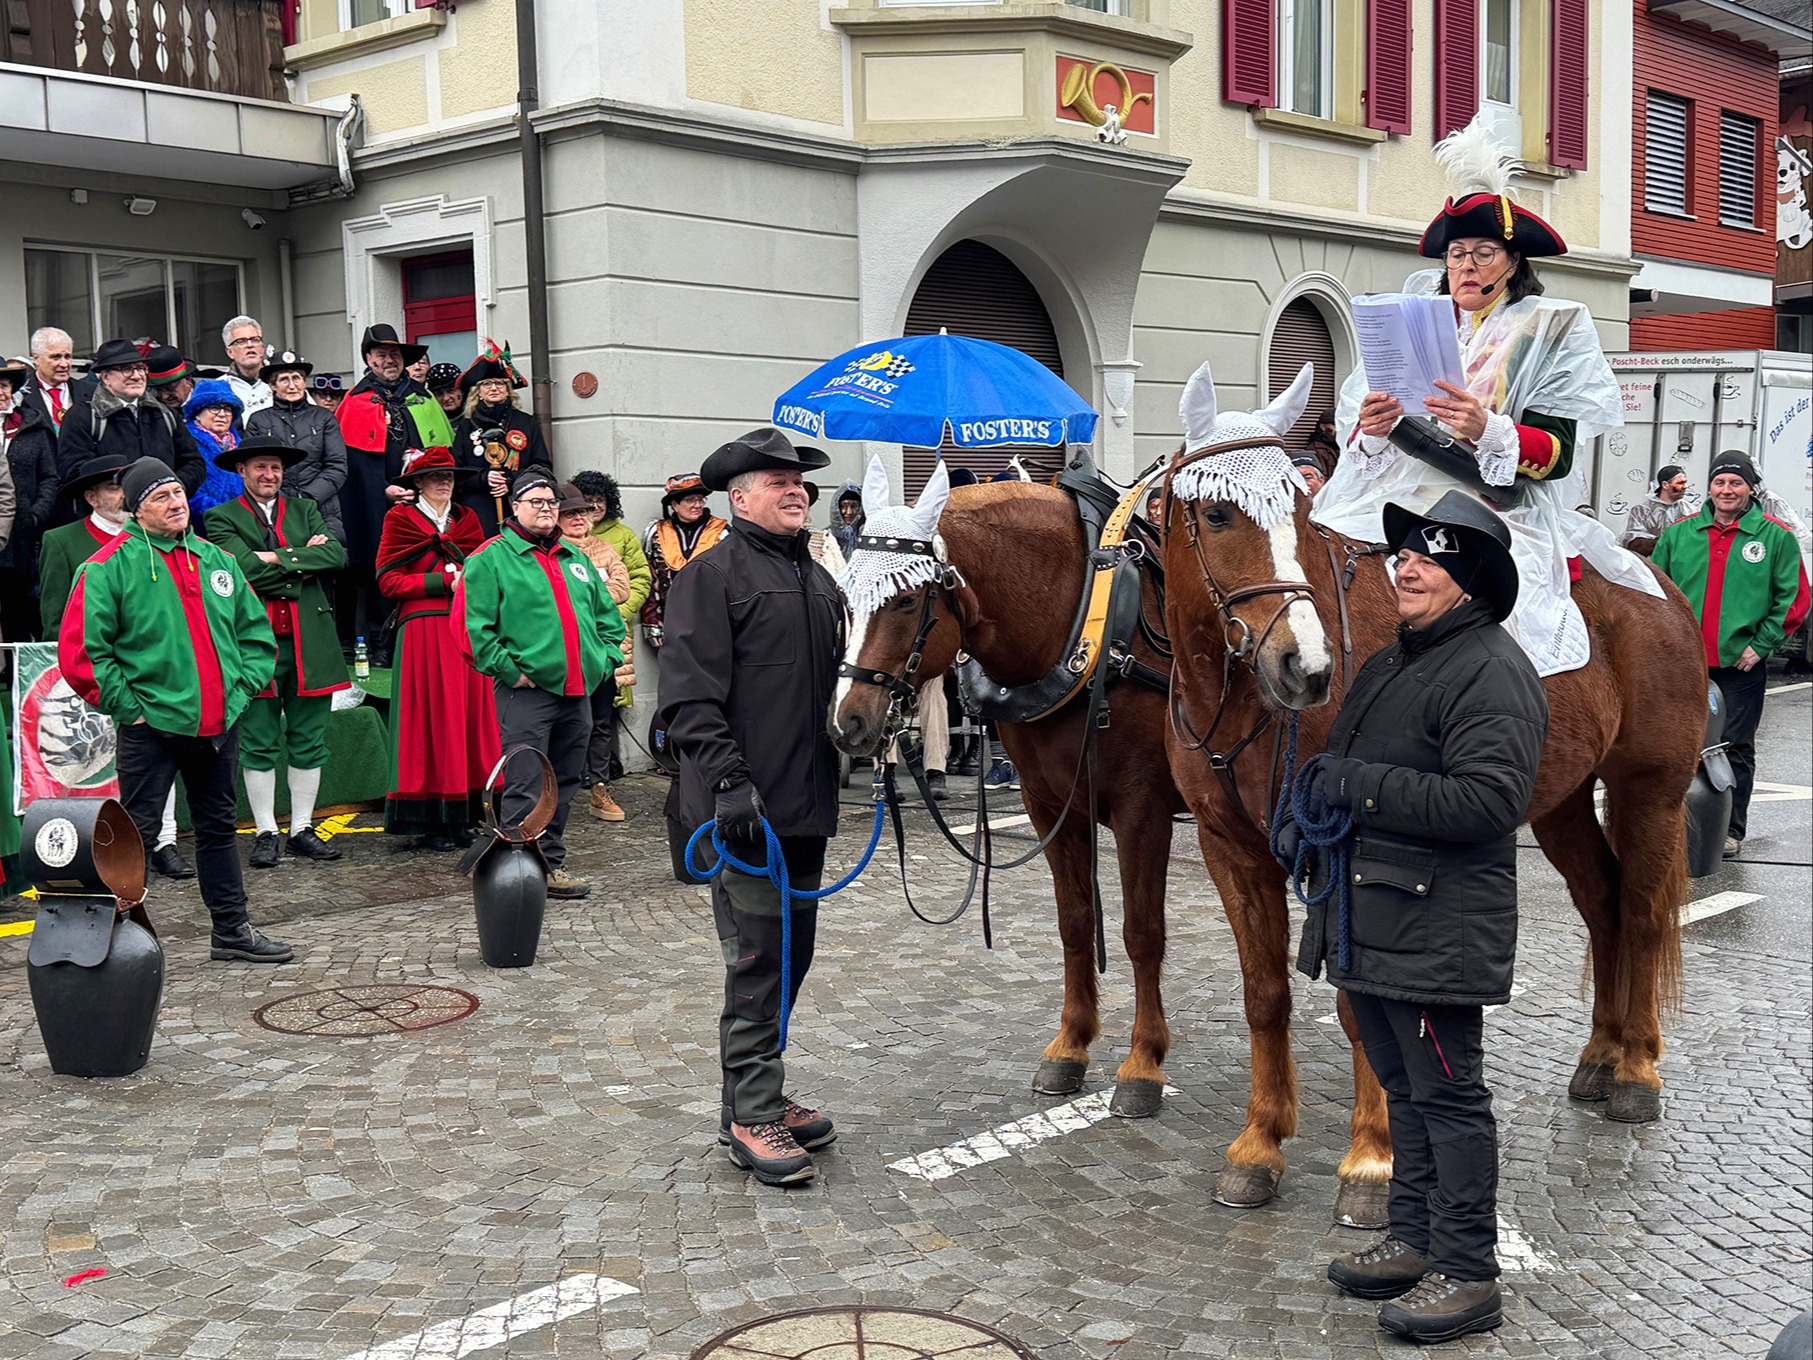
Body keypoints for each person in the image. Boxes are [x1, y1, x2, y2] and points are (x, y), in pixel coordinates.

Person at [1285, 490, 1548, 1345]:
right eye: (1403, 554)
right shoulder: (1397, 660)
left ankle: (1467, 1271)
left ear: (1469, 582)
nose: (1406, 565)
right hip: (1376, 919)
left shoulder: (1490, 669)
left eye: (1429, 559)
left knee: (1448, 1096)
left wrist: (1350, 786)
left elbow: (1487, 801)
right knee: (1401, 1088)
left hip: (1438, 927)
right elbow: (1345, 761)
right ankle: (1412, 1238)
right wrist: (1306, 803)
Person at [1316, 115, 1664, 679]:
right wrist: (1375, 429)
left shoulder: (1550, 329)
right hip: (1390, 490)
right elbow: (1366, 440)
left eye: (1483, 253)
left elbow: (1557, 452)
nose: (1466, 266)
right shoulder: (1411, 322)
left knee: (1496, 608)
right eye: (1456, 254)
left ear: (1512, 263)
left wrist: (1488, 429)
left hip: (1495, 499)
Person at [658, 427, 842, 1187]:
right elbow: (688, 699)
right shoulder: (712, 576)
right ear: (739, 500)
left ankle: (757, 1089)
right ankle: (749, 1116)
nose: (796, 489)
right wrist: (730, 782)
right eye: (777, 481)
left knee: (792, 957)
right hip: (742, 812)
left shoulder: (821, 581)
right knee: (758, 959)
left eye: (799, 481)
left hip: (805, 806)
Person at [58, 456, 288, 963]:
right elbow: (83, 653)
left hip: (218, 724)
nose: (176, 502)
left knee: (218, 829)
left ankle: (231, 931)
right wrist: (131, 709)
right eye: (161, 496)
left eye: (179, 492)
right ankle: (108, 943)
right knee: (134, 839)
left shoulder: (216, 561)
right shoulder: (105, 568)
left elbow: (254, 635)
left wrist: (238, 691)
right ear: (137, 510)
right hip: (151, 728)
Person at [456, 473, 624, 897]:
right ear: (515, 506)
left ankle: (549, 865)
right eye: (536, 501)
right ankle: (518, 873)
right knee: (526, 784)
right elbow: (472, 629)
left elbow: (607, 617)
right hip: (527, 693)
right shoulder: (490, 559)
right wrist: (512, 671)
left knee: (564, 783)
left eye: (552, 502)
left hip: (577, 691)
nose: (547, 508)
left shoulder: (574, 558)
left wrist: (605, 660)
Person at [38, 454, 193, 880]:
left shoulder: (164, 540)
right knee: (100, 766)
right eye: (112, 487)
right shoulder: (64, 541)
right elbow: (56, 618)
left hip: (152, 683)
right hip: (96, 680)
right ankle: (101, 850)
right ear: (90, 497)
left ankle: (165, 841)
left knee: (158, 766)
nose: (121, 495)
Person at [1652, 454, 1810, 860]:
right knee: (1674, 746)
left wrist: (1762, 645)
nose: (1727, 490)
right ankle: (1672, 828)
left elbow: (1792, 599)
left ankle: (1728, 830)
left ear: (1750, 490)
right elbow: (1652, 593)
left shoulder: (1775, 538)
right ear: (1709, 488)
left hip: (1740, 666)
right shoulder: (1680, 534)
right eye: (1720, 482)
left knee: (1733, 746)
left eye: (1735, 484)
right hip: (1684, 666)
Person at [204, 435, 351, 870]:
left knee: (309, 739)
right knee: (259, 741)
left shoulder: (305, 509)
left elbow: (337, 557)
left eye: (276, 468)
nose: (270, 475)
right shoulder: (219, 518)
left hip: (312, 640)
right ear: (242, 471)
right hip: (254, 644)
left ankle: (302, 827)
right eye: (260, 468)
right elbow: (238, 571)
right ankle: (266, 830)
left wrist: (273, 558)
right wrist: (301, 560)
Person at [376, 447, 500, 850]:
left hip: (465, 628)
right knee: (430, 719)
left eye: (448, 476)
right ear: (417, 482)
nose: (444, 482)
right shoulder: (400, 519)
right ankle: (432, 820)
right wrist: (440, 584)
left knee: (468, 719)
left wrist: (471, 582)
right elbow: (388, 581)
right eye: (434, 477)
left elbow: (485, 570)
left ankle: (464, 815)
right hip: (423, 630)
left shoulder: (468, 521)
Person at [335, 324, 450, 650]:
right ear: (369, 359)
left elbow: (441, 451)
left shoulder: (423, 398)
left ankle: (421, 634)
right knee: (379, 565)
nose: (390, 360)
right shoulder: (356, 400)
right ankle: (380, 642)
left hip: (422, 497)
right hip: (376, 501)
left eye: (395, 354)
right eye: (382, 354)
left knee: (425, 562)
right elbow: (351, 464)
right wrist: (382, 490)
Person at [556, 484, 637, 822]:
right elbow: (558, 597)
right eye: (570, 513)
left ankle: (600, 790)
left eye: (583, 512)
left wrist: (586, 594)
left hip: (604, 650)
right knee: (564, 723)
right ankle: (556, 794)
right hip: (566, 653)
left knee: (601, 722)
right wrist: (597, 591)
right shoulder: (552, 552)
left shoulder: (604, 548)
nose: (579, 518)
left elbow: (622, 588)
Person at [571, 469, 652, 799]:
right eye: (585, 503)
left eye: (599, 501)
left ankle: (602, 774)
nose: (592, 509)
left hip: (612, 631)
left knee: (607, 705)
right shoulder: (561, 543)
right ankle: (580, 770)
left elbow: (638, 579)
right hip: (578, 635)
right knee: (580, 709)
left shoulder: (622, 536)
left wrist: (616, 613)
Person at [56, 339, 205, 497]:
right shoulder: (83, 417)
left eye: (140, 368)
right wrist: (125, 496)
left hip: (164, 514)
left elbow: (194, 463)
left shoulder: (165, 414)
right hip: (113, 516)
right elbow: (74, 471)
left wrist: (170, 491)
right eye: (126, 369)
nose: (136, 376)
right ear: (106, 377)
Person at [452, 341, 553, 539]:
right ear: (478, 392)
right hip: (479, 508)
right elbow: (456, 470)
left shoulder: (526, 422)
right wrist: (483, 478)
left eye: (500, 383)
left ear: (508, 389)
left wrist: (511, 480)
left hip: (519, 504)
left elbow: (542, 467)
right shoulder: (467, 426)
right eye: (487, 384)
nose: (494, 388)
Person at [247, 351, 349, 544]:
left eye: (297, 378)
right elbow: (254, 467)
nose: (292, 385)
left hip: (322, 507)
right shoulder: (258, 420)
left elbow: (337, 465)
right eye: (284, 380)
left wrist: (308, 497)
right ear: (272, 385)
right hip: (274, 507)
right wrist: (282, 499)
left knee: (328, 559)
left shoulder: (323, 417)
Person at [641, 472, 728, 650]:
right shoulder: (656, 533)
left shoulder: (722, 533)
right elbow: (651, 580)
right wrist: (652, 624)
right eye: (691, 500)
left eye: (700, 500)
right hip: (672, 622)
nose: (698, 505)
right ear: (675, 504)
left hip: (714, 622)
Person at [0, 357, 45, 639]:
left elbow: (50, 476)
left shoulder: (31, 426)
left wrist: (35, 514)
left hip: (24, 532)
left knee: (21, 604)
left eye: (4, 385)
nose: (1, 392)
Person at [182, 379, 246, 515]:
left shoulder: (242, 446)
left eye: (227, 409)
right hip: (205, 524)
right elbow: (187, 492)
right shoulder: (186, 443)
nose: (222, 414)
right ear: (197, 413)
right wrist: (226, 514)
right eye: (215, 408)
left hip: (245, 523)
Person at [19, 327, 83, 431]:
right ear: (36, 359)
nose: (64, 364)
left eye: (67, 357)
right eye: (56, 357)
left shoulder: (89, 392)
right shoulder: (19, 394)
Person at [1621, 464, 1690, 555]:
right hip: (1650, 566)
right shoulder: (1641, 511)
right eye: (1680, 483)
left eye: (1685, 482)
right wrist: (1662, 543)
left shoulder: (1689, 510)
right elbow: (1633, 542)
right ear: (1665, 485)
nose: (1685, 486)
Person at [220, 315, 273, 418]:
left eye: (255, 339)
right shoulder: (219, 388)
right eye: (241, 341)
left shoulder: (281, 383)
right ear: (230, 352)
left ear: (262, 348)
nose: (249, 345)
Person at [829, 481, 864, 558]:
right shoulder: (827, 536)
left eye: (854, 506)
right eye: (843, 506)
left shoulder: (867, 535)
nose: (849, 512)